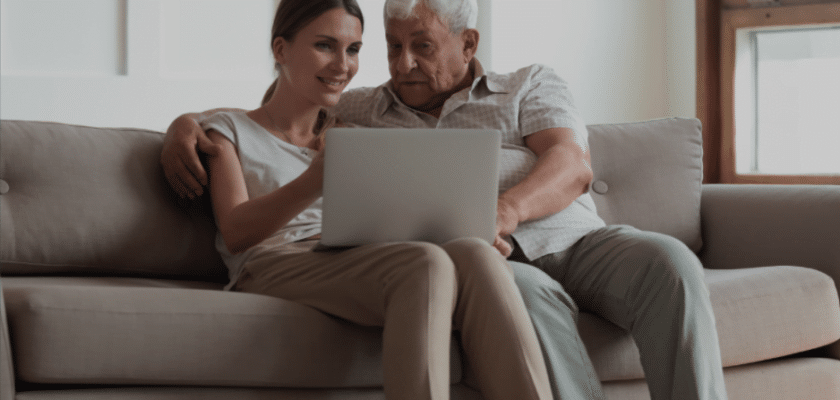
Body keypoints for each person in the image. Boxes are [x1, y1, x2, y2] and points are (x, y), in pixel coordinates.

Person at [162, 0, 729, 399]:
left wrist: (503, 211)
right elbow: (267, 118)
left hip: (569, 239)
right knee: (509, 284)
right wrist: (182, 125)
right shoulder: (357, 111)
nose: (403, 63)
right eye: (392, 47)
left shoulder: (528, 85)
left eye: (422, 46)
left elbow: (572, 164)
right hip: (481, 261)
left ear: (468, 42)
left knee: (670, 264)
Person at [190, 0, 554, 399]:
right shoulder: (226, 132)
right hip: (272, 262)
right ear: (281, 50)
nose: (342, 66)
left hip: (347, 254)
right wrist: (314, 179)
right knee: (425, 263)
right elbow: (237, 232)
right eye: (325, 46)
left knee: (477, 252)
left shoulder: (353, 130)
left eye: (353, 50)